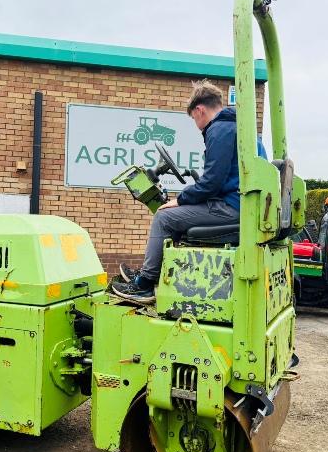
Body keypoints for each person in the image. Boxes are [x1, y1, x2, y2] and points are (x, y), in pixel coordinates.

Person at [111, 79, 267, 303]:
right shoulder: (238, 128)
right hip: (242, 205)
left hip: (234, 208)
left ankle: (144, 284)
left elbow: (212, 182)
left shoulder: (220, 130)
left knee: (164, 217)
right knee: (175, 217)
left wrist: (182, 199)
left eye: (194, 118)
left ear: (200, 110)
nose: (197, 124)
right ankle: (157, 275)